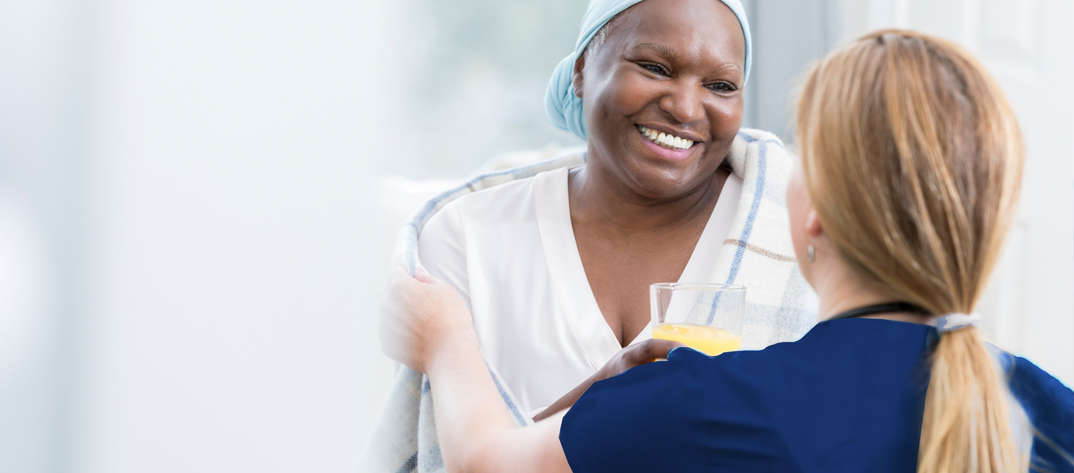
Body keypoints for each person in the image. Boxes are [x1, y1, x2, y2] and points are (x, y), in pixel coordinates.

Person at [380, 30, 1074, 472]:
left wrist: (444, 336)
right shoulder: (1045, 409)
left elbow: (484, 464)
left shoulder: (703, 400)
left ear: (814, 218)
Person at [416, 0, 815, 420]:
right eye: (655, 68)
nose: (685, 108)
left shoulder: (800, 239)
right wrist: (606, 393)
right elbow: (446, 452)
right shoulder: (467, 236)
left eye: (720, 86)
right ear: (582, 69)